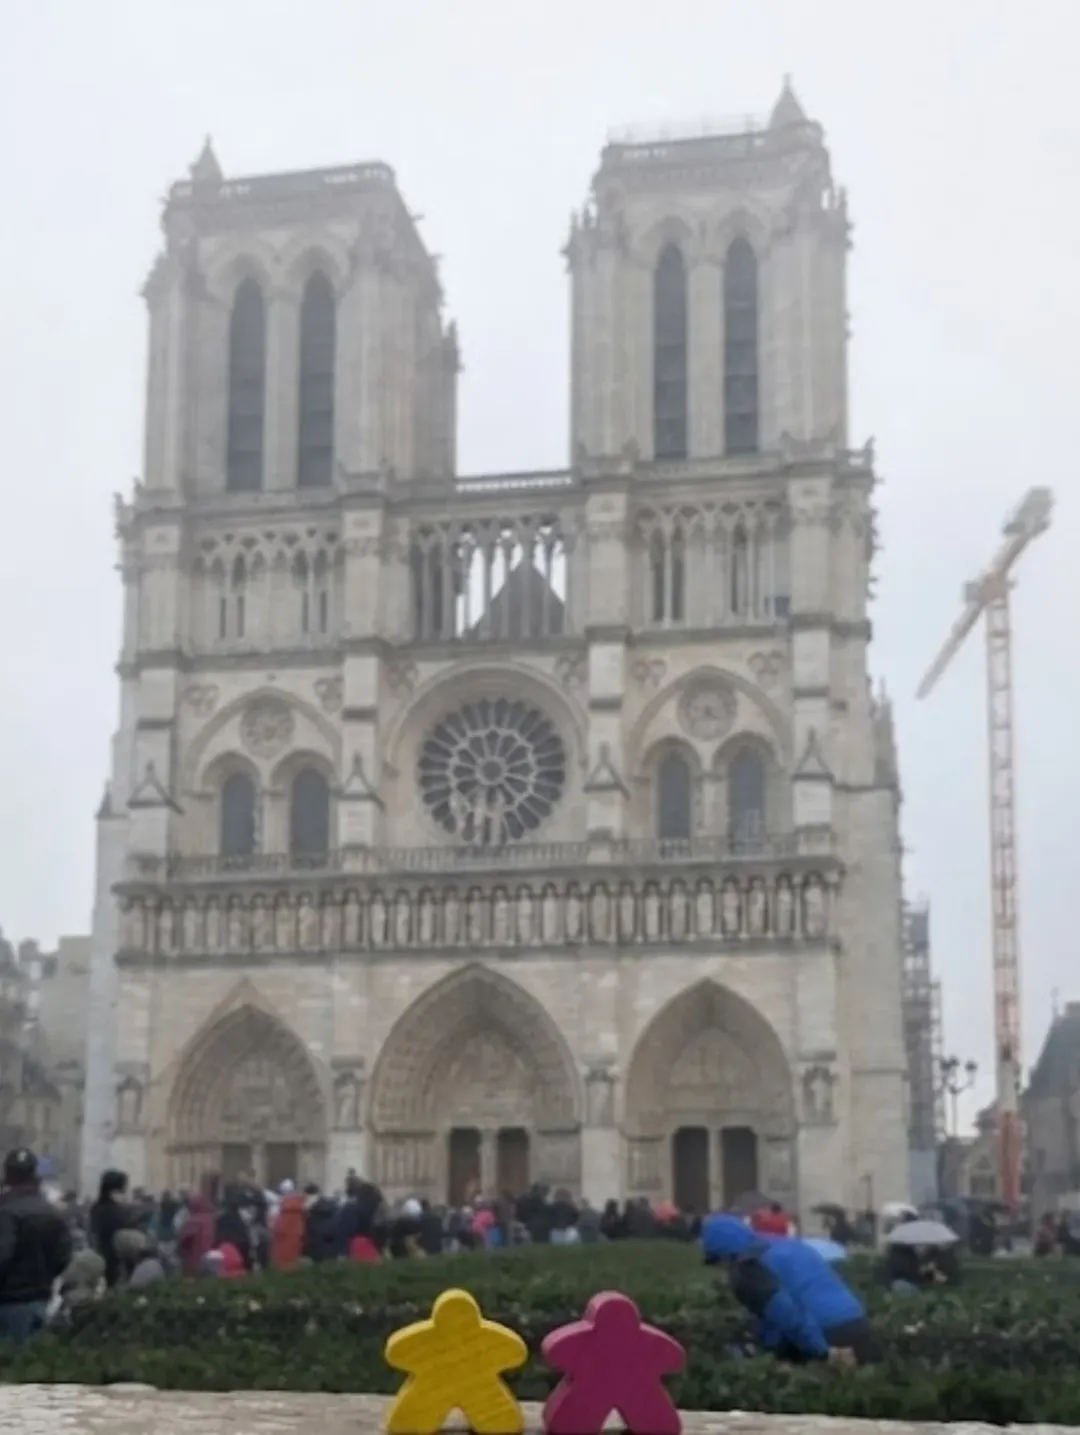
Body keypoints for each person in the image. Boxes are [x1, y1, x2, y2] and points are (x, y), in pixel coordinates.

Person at [701, 1213, 880, 1366]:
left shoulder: (748, 1268)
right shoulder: (783, 1244)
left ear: (724, 1255)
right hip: (856, 1320)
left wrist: (823, 1352)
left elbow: (785, 1312)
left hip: (824, 1332)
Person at [0, 1147, 73, 1343]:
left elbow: (2, 1257)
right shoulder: (52, 1212)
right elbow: (64, 1256)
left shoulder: (5, 1212)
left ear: (7, 1175)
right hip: (40, 1301)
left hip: (7, 1303)